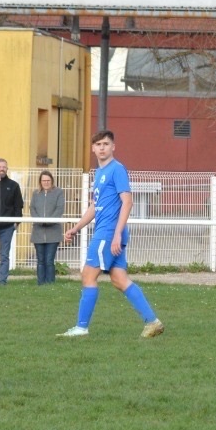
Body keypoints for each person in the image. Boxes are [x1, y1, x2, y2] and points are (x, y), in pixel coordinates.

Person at [59, 130, 163, 338]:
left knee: (88, 275)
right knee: (118, 278)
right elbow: (95, 206)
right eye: (98, 144)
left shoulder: (117, 169)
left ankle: (81, 327)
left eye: (106, 144)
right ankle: (152, 322)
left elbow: (127, 201)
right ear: (93, 148)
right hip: (109, 232)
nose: (102, 148)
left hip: (108, 233)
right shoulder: (98, 173)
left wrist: (116, 234)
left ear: (113, 146)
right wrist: (76, 227)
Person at [30, 169, 65, 285]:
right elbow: (32, 208)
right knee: (40, 260)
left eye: (48, 180)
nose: (46, 182)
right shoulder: (35, 194)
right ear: (40, 181)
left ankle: (50, 283)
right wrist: (39, 221)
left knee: (49, 260)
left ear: (52, 181)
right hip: (38, 232)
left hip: (53, 232)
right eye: (43, 180)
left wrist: (49, 221)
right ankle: (40, 283)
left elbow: (59, 208)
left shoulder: (59, 192)